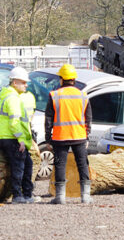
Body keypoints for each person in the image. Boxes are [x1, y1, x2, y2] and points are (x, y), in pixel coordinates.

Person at [45, 64, 92, 204]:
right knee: (82, 164)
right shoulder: (83, 95)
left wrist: (48, 138)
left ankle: (60, 197)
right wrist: (87, 135)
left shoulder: (55, 95)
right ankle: (85, 196)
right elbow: (88, 118)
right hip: (79, 136)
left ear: (61, 79)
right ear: (74, 79)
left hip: (61, 137)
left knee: (60, 165)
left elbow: (48, 119)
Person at [0, 67, 36, 204]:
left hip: (4, 136)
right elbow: (14, 122)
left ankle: (26, 193)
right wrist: (21, 139)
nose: (26, 85)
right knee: (19, 166)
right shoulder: (13, 98)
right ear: (15, 82)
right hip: (12, 137)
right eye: (23, 82)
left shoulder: (4, 94)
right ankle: (18, 195)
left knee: (26, 164)